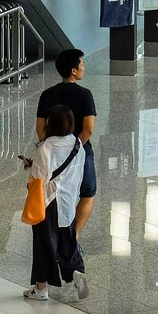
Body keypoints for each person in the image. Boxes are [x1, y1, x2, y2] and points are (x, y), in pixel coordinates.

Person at [22, 104, 88, 301]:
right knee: (66, 240)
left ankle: (41, 288)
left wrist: (29, 167)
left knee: (44, 243)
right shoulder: (78, 145)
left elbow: (38, 178)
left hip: (48, 202)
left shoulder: (46, 147)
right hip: (68, 201)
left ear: (51, 123)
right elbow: (78, 174)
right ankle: (76, 272)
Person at [35, 49, 97, 238]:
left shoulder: (47, 94)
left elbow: (40, 128)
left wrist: (50, 146)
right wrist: (75, 148)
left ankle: (53, 236)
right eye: (82, 64)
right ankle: (73, 237)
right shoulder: (85, 94)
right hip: (81, 151)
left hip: (51, 152)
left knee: (51, 194)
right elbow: (88, 129)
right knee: (87, 193)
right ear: (73, 70)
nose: (84, 68)